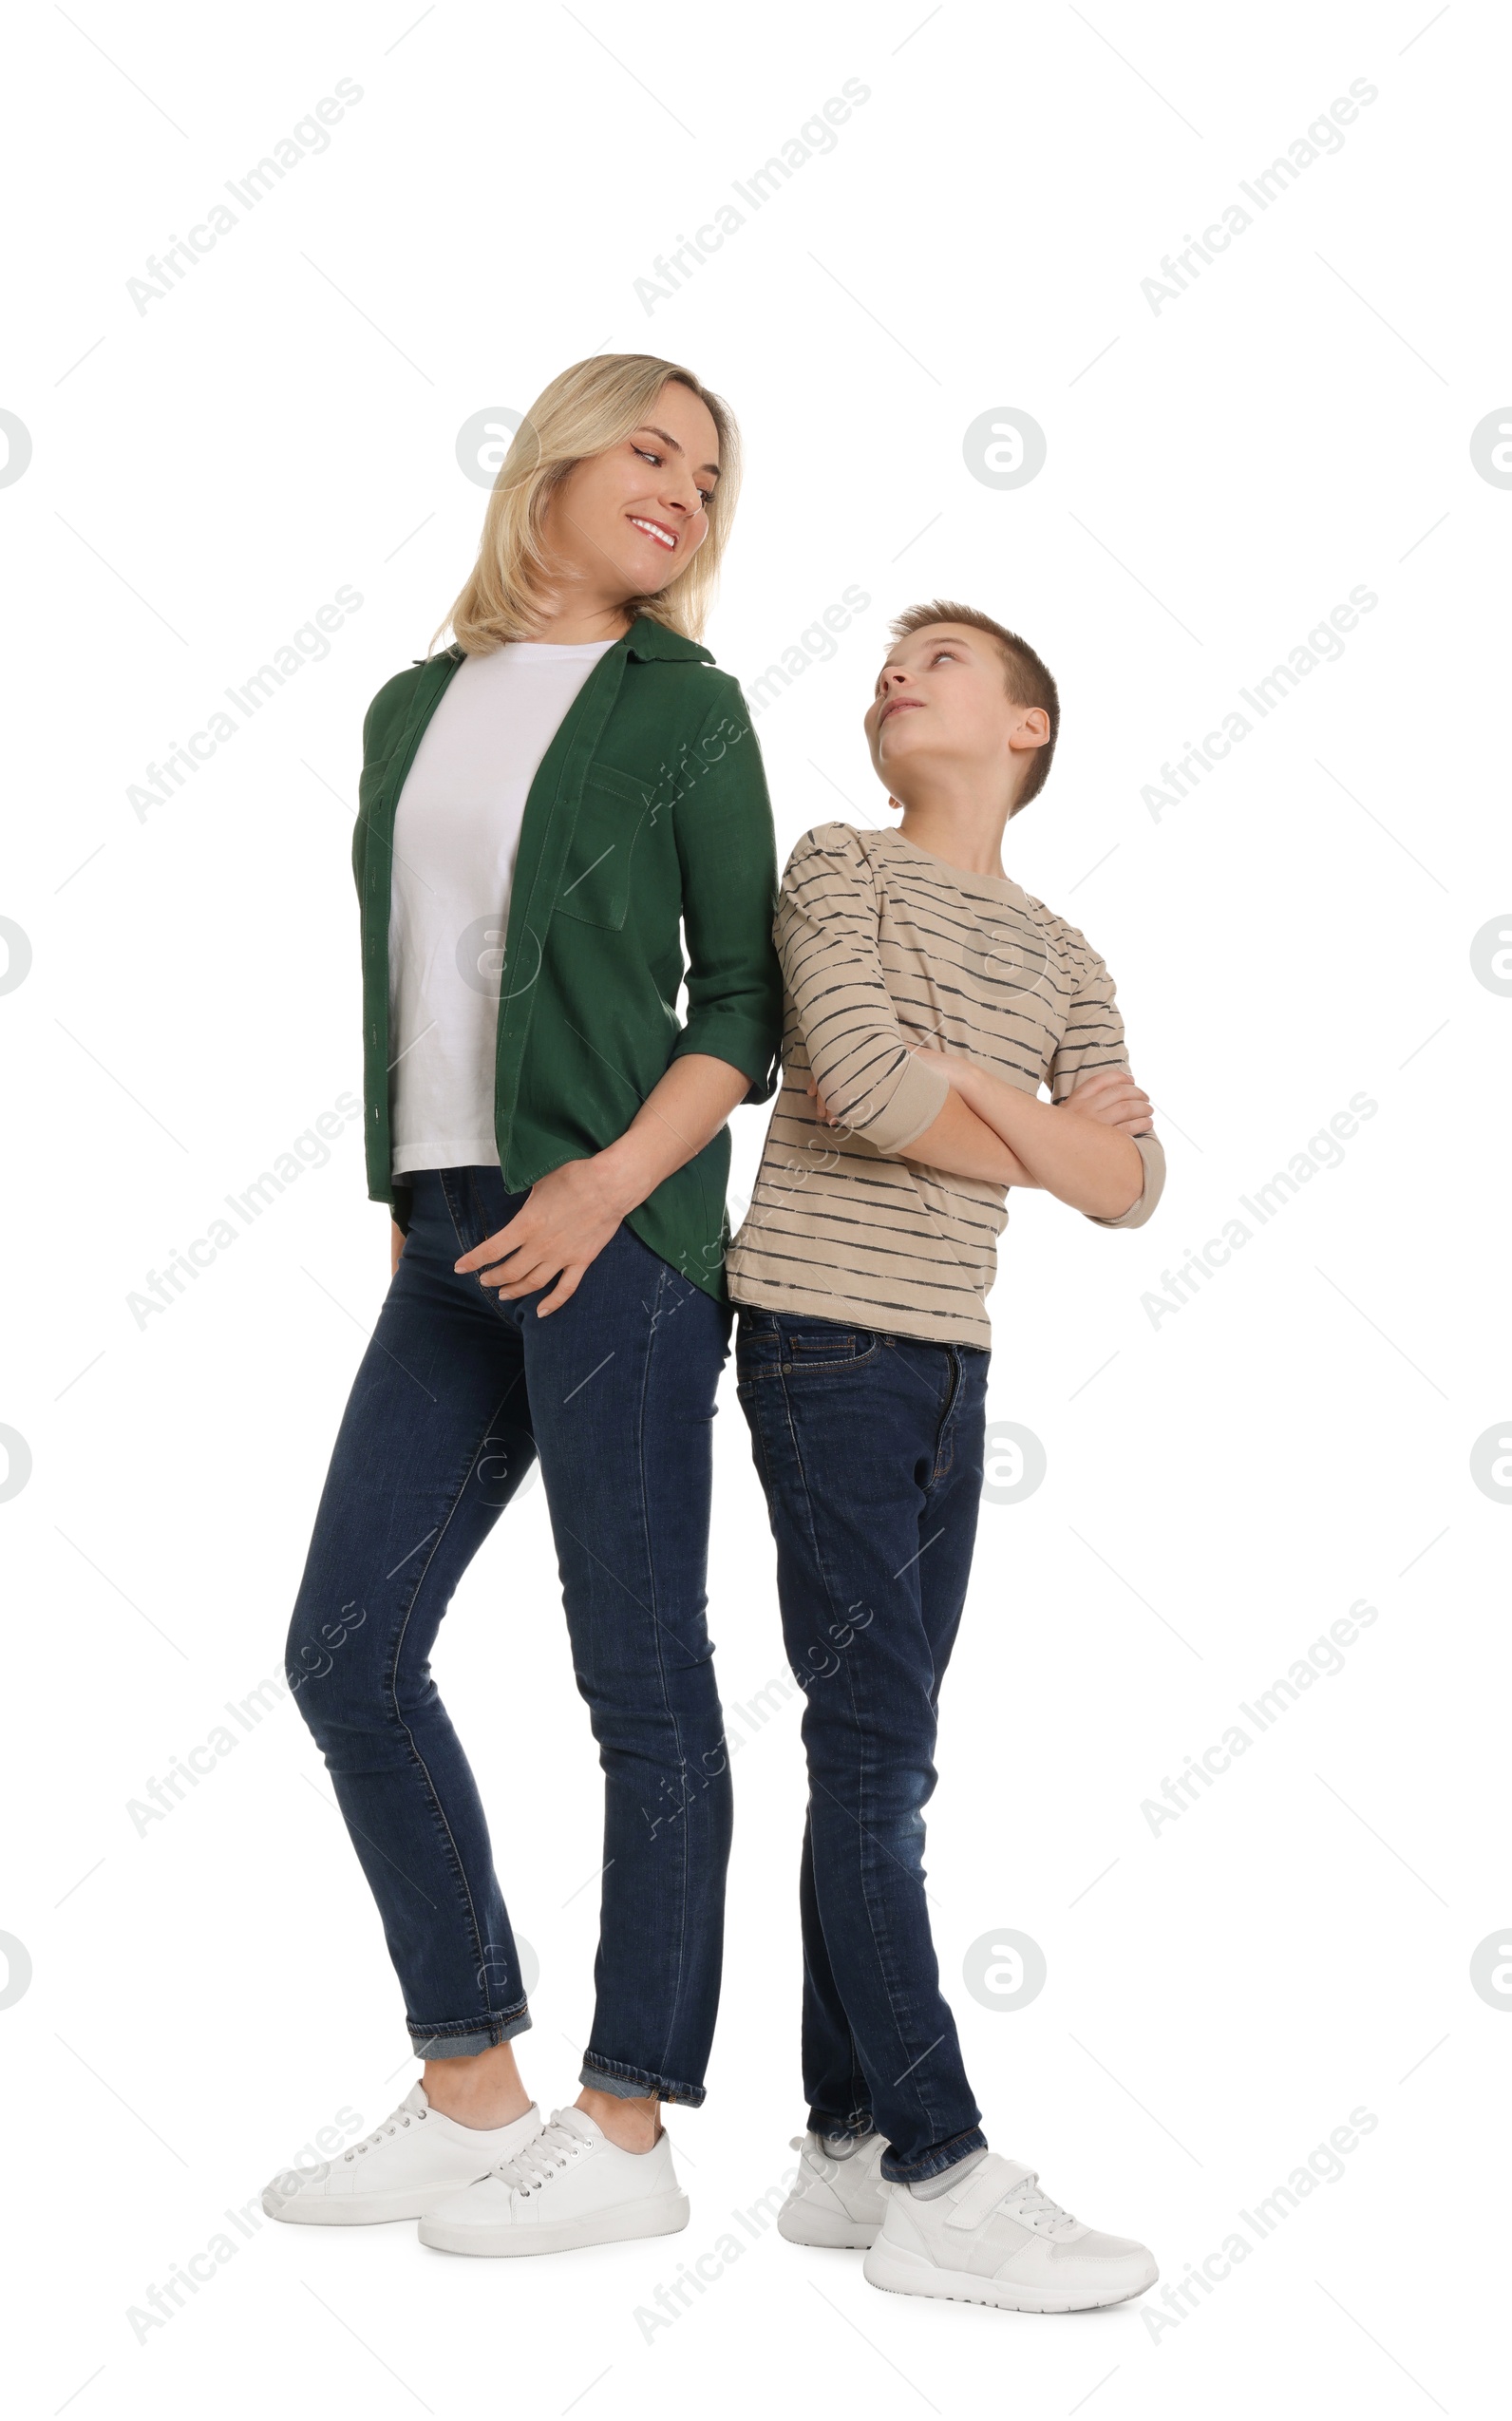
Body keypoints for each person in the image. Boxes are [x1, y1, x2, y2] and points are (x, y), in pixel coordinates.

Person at [262, 354, 783, 2259]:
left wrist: (605, 1187)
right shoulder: (414, 704)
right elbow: (407, 970)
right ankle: (472, 2084)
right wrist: (414, 1187)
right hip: (452, 1233)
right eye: (651, 452)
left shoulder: (685, 713)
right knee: (345, 1649)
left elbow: (738, 1002)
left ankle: (627, 2130)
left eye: (711, 480)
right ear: (547, 463)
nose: (685, 494)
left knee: (640, 1686)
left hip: (618, 1237)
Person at [726, 600, 1166, 2312]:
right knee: (875, 1749)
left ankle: (843, 2148)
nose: (897, 673)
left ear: (1026, 730)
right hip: (822, 1343)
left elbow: (1132, 1192)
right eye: (889, 662)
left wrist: (967, 1078)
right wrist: (1033, 1132)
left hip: (954, 1369)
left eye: (944, 661)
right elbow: (845, 1076)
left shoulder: (1066, 955)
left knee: (883, 1760)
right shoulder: (836, 866)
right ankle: (936, 2165)